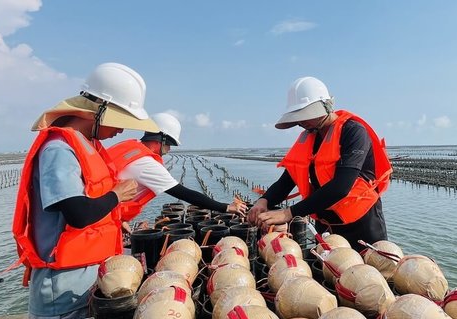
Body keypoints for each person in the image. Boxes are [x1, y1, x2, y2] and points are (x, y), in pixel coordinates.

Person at [14, 62, 158, 319]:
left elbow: (91, 205)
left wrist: (115, 218)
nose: (121, 131)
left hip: (85, 280)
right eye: (120, 120)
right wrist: (117, 196)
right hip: (63, 288)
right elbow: (78, 213)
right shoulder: (59, 150)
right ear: (99, 110)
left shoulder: (87, 146)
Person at [248, 77, 392, 251]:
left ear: (326, 106)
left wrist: (288, 213)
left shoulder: (353, 132)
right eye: (299, 117)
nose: (302, 122)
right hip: (326, 226)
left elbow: (341, 187)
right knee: (327, 271)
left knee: (367, 273)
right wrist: (264, 200)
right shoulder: (309, 137)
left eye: (306, 115)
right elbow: (286, 181)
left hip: (362, 225)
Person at [102, 111, 247, 228]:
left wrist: (121, 220)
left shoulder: (130, 147)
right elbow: (186, 194)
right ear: (162, 139)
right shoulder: (147, 164)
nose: (169, 149)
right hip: (102, 221)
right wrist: (226, 207)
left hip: (103, 211)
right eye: (169, 144)